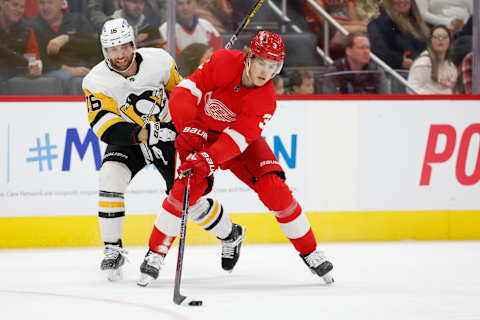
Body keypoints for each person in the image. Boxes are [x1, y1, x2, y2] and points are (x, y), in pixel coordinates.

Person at [144, 30, 334, 285]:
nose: (266, 72)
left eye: (273, 66)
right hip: (199, 133)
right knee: (185, 188)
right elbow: (183, 93)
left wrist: (209, 159)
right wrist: (189, 126)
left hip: (238, 145)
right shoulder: (222, 61)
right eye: (262, 63)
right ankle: (155, 252)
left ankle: (310, 251)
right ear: (249, 57)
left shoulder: (265, 99)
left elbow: (237, 140)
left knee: (274, 189)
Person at [82, 18, 243, 285]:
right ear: (104, 51)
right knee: (110, 176)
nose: (120, 55)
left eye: (124, 46)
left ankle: (231, 233)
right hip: (130, 138)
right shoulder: (95, 81)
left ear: (133, 44)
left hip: (170, 135)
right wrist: (148, 133)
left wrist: (191, 117)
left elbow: (182, 93)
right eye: (112, 49)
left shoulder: (159, 61)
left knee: (185, 199)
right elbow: (106, 128)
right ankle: (112, 249)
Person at [30, 0, 100, 94]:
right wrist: (67, 69)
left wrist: (67, 39)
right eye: (42, 3)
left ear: (62, 3)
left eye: (50, 2)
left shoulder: (78, 20)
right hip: (53, 71)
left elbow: (94, 45)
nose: (45, 7)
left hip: (83, 67)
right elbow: (38, 59)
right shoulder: (33, 26)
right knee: (65, 78)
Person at [367, 0, 430, 70]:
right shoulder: (380, 24)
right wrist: (400, 61)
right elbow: (378, 49)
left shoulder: (422, 24)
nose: (402, 1)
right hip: (401, 75)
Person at [323, 32, 387, 94]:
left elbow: (386, 99)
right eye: (361, 48)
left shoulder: (376, 70)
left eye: (368, 48)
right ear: (348, 51)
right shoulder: (335, 71)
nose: (366, 52)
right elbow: (331, 100)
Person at [303, 0, 368, 59]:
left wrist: (359, 24)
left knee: (366, 30)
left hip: (344, 28)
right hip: (323, 31)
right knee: (362, 31)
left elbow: (353, 19)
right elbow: (325, 21)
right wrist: (356, 24)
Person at [407, 25, 457, 94]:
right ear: (430, 42)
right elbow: (411, 90)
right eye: (436, 36)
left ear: (449, 42)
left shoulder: (451, 66)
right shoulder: (423, 63)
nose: (440, 39)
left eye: (445, 37)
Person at [0, 0, 42, 82]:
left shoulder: (27, 30)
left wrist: (34, 68)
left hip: (16, 80)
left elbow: (32, 61)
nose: (18, 10)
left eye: (22, 7)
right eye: (14, 5)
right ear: (2, 4)